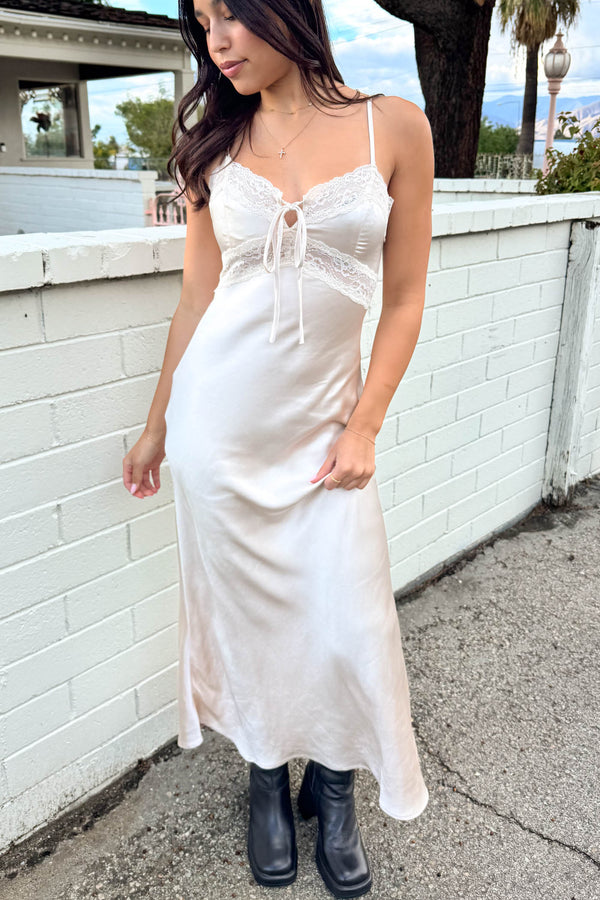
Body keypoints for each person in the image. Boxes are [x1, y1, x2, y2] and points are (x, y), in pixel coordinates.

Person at [122, 0, 434, 896]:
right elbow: (194, 302)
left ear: (287, 10)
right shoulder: (213, 151)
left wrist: (365, 423)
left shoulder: (394, 128)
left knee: (346, 620)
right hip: (216, 436)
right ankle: (267, 779)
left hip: (324, 439)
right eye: (203, 23)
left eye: (232, 15)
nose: (217, 41)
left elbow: (406, 298)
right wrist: (156, 427)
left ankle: (332, 791)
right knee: (253, 623)